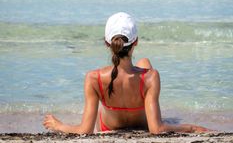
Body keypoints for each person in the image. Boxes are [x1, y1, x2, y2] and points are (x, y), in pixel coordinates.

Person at [43, 12, 211, 134]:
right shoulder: (152, 77)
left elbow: (84, 130)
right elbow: (156, 129)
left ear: (107, 44)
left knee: (141, 64)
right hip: (143, 124)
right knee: (145, 64)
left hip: (108, 126)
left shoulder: (93, 78)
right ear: (135, 42)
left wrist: (59, 125)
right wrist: (192, 127)